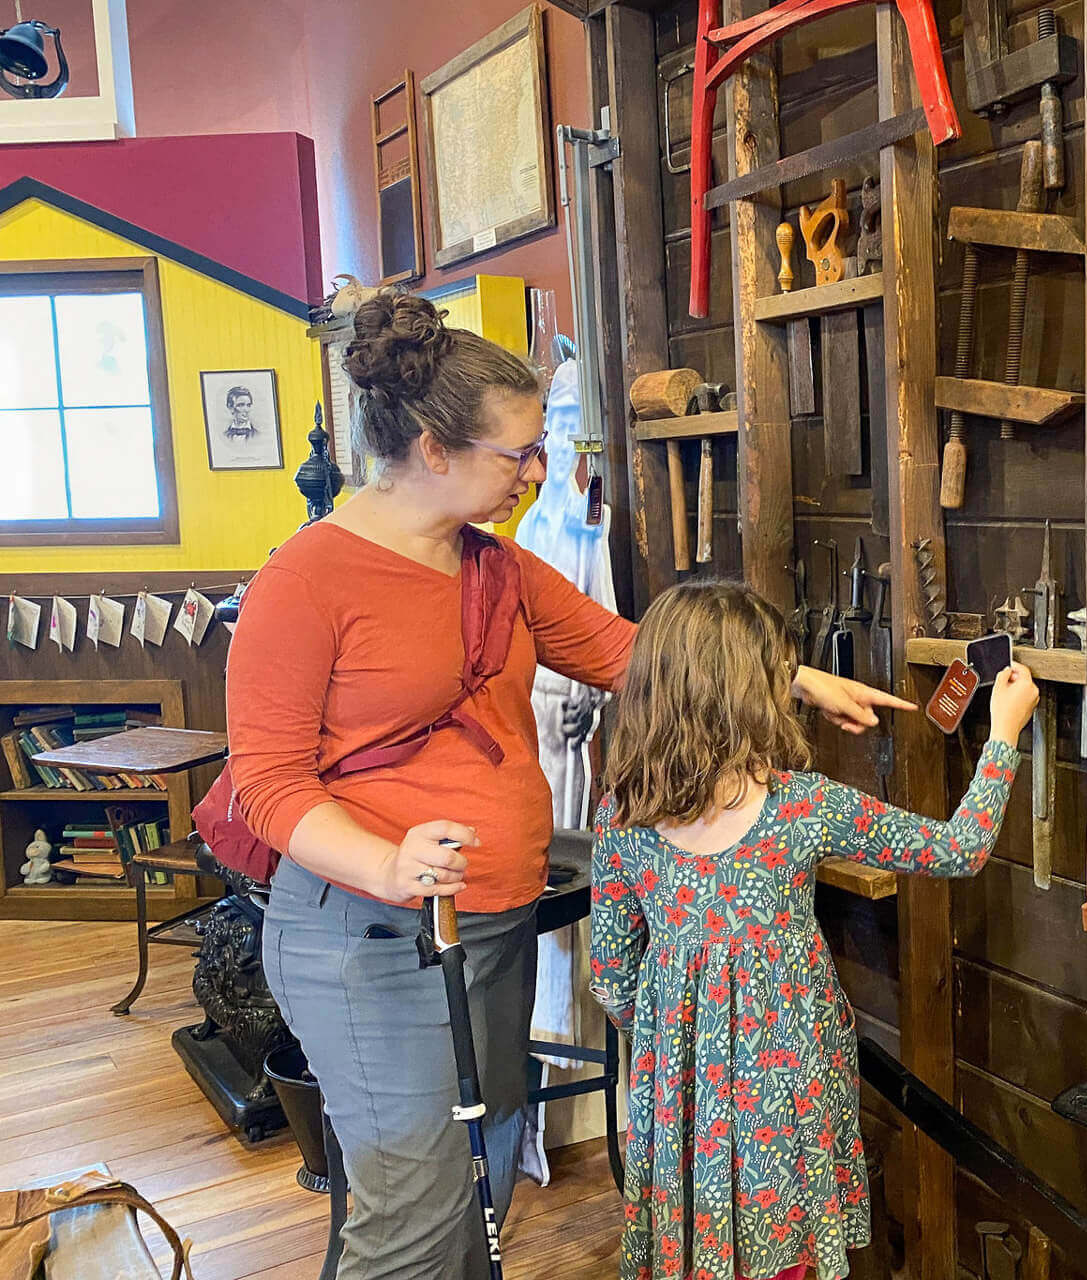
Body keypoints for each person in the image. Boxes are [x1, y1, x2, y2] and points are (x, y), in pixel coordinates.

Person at [225, 291, 910, 1280]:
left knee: (477, 1172)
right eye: (517, 452)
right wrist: (388, 857)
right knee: (412, 1214)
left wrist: (793, 675)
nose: (537, 471)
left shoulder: (495, 567)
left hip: (486, 923)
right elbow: (269, 784)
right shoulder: (307, 578)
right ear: (430, 445)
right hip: (367, 935)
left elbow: (640, 653)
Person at [587, 580, 1039, 1280]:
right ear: (750, 695)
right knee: (785, 1254)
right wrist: (1005, 732)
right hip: (789, 1089)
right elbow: (960, 847)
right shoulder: (801, 808)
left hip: (682, 1111)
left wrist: (677, 1032)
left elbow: (611, 975)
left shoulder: (624, 816)